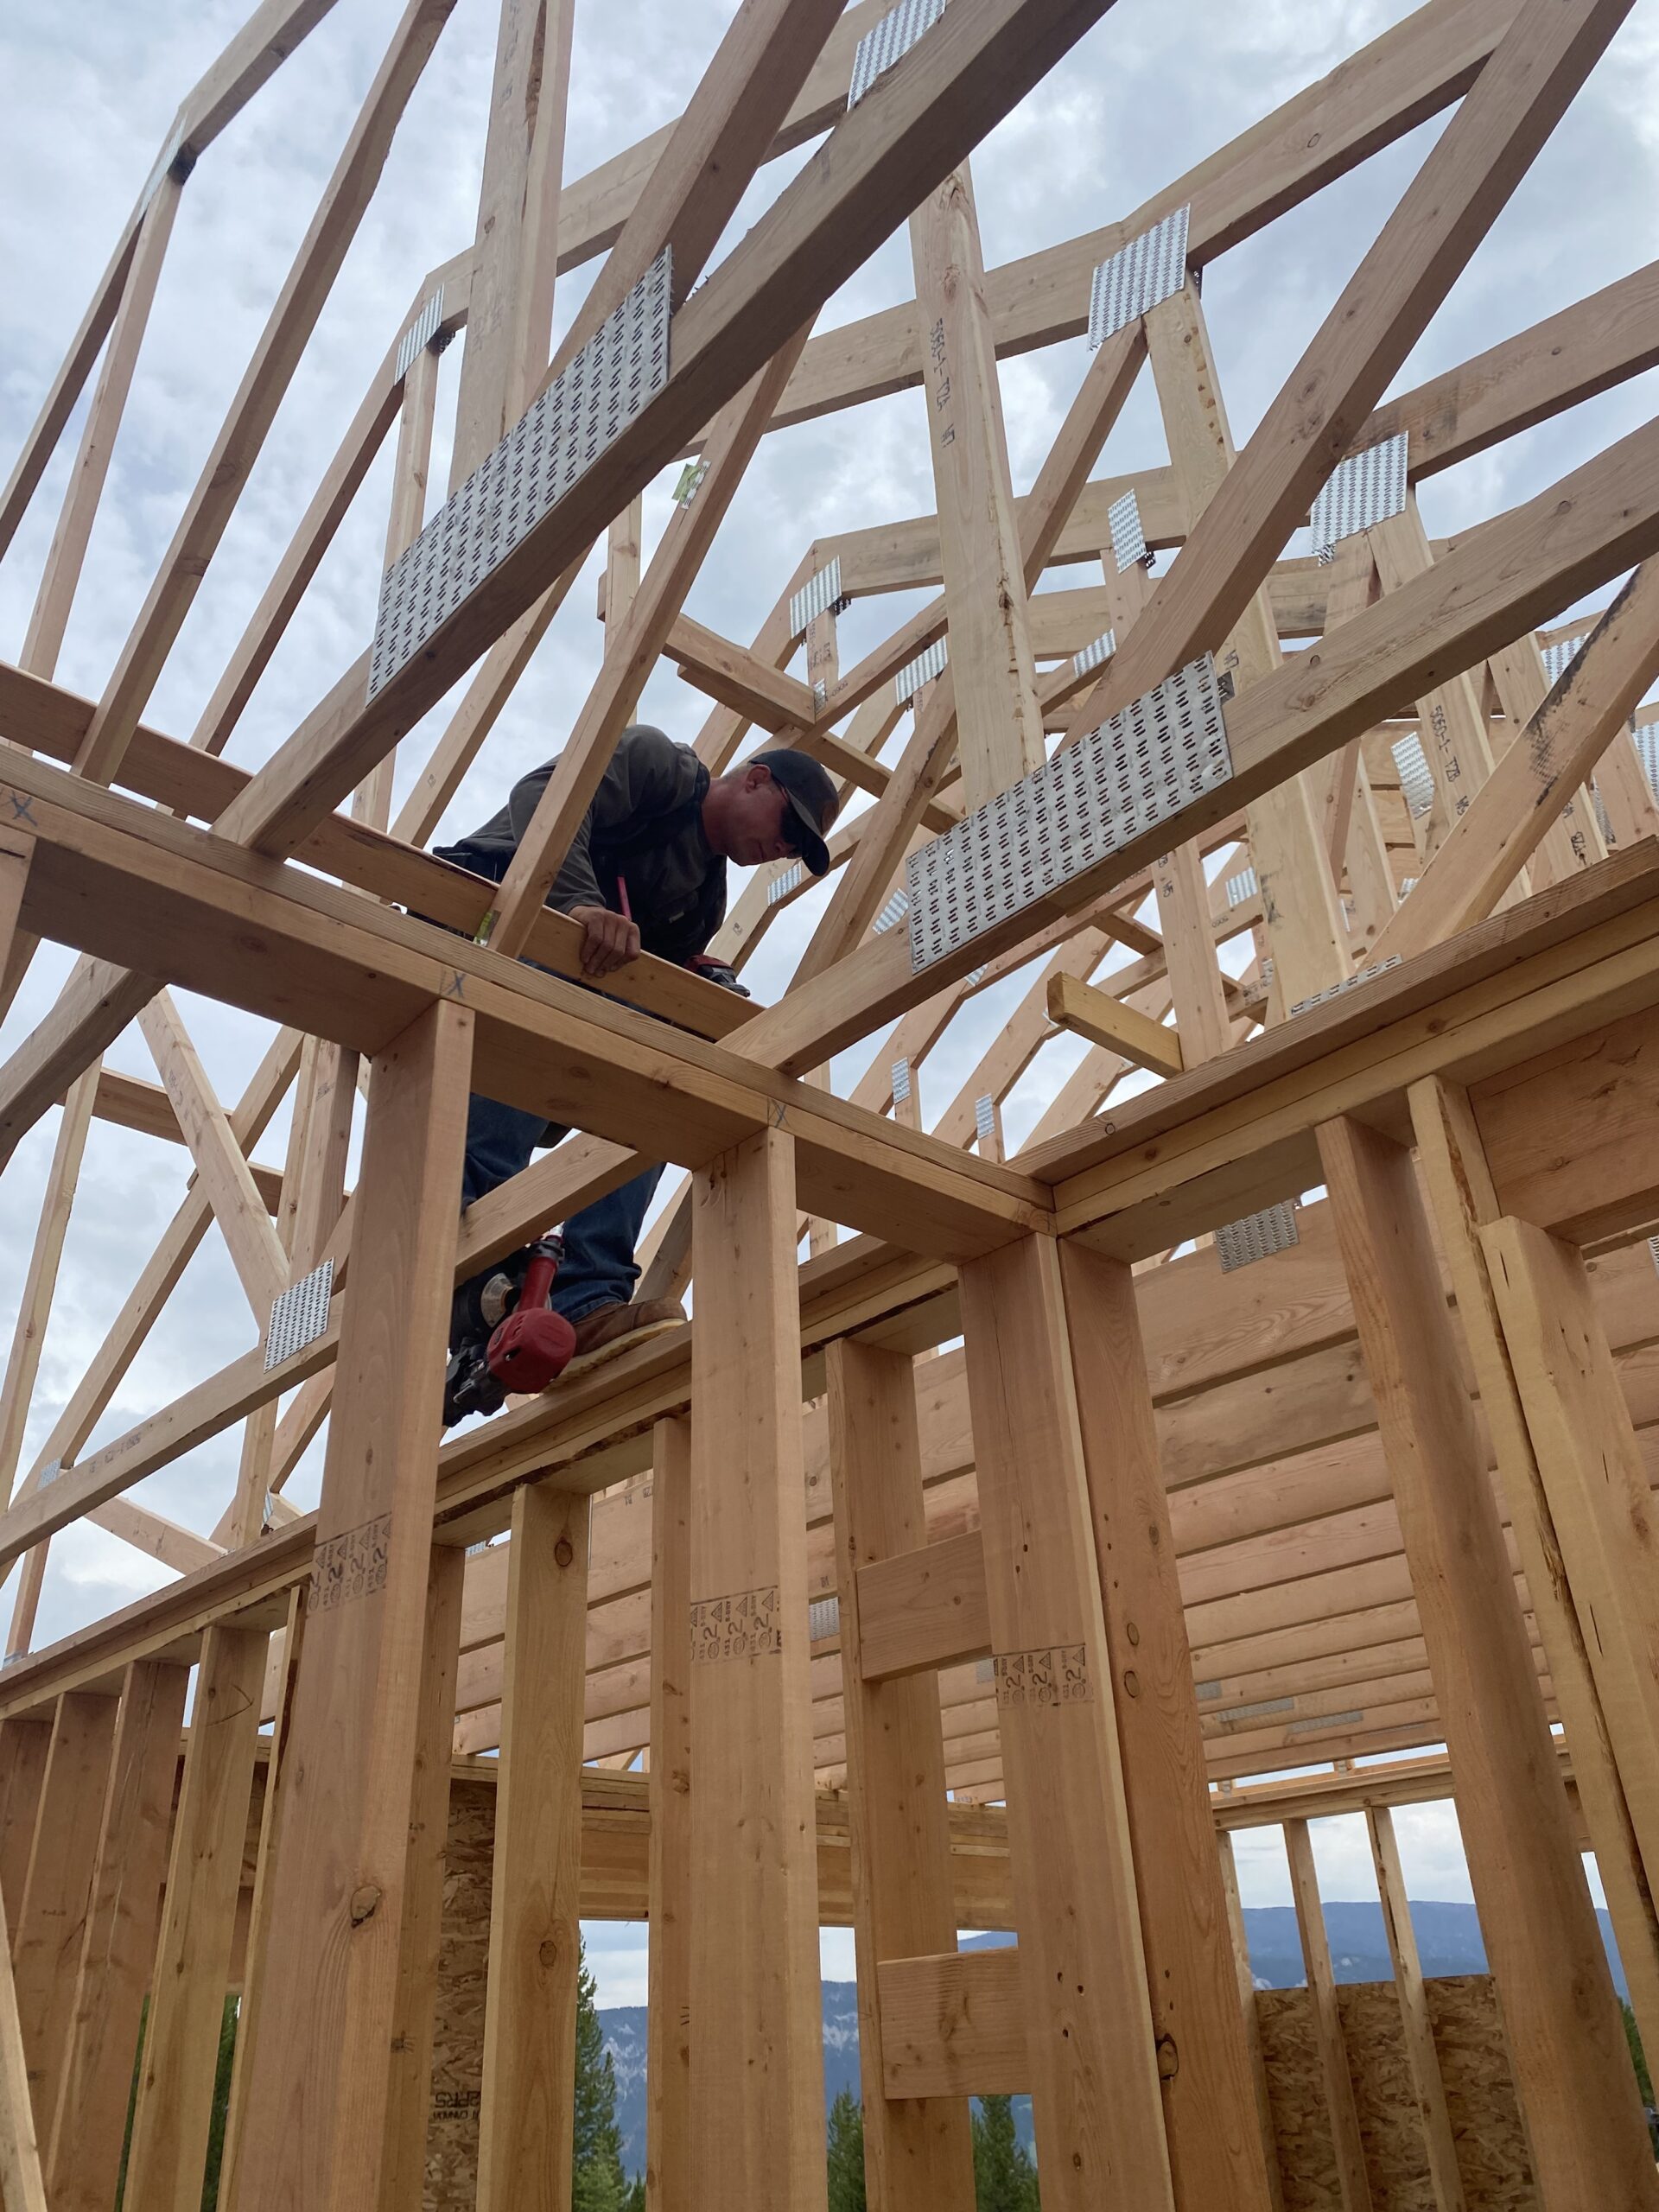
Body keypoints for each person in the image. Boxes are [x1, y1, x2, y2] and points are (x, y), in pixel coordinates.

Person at [434, 725, 839, 1402]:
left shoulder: (701, 900)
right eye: (789, 827)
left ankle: (585, 1293)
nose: (786, 849)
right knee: (548, 998)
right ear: (755, 779)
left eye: (799, 848)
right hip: (472, 934)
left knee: (669, 1064)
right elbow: (543, 797)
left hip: (547, 1029)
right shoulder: (661, 769)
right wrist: (579, 906)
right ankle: (473, 1246)